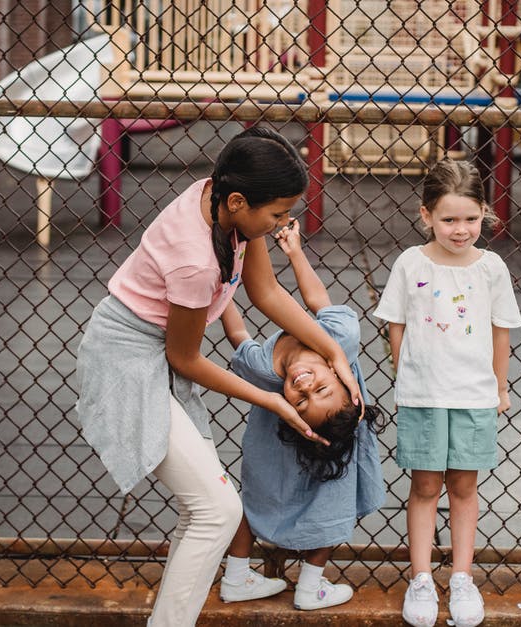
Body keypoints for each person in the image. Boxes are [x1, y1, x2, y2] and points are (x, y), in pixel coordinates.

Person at [75, 126, 361, 627]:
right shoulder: (195, 259)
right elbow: (185, 359)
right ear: (237, 201)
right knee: (217, 510)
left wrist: (331, 348)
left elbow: (266, 293)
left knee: (209, 509)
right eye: (276, 214)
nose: (281, 224)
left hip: (154, 351)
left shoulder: (224, 205)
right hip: (126, 357)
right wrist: (271, 400)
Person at [373, 159, 521, 627]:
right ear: (426, 216)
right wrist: (407, 378)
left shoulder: (491, 268)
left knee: (463, 486)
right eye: (449, 219)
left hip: (474, 397)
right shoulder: (411, 264)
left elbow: (502, 333)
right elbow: (395, 327)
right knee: (423, 486)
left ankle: (461, 577)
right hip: (423, 396)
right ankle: (420, 578)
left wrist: (500, 387)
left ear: (484, 212)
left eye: (471, 219)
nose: (461, 230)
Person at [213, 218, 386, 611]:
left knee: (328, 498)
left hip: (316, 443)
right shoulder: (340, 339)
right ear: (345, 379)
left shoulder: (264, 369)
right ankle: (243, 579)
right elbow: (318, 301)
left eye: (302, 399)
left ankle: (300, 583)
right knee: (257, 501)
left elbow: (240, 337)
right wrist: (294, 251)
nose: (305, 386)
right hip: (284, 443)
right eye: (320, 390)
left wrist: (223, 294)